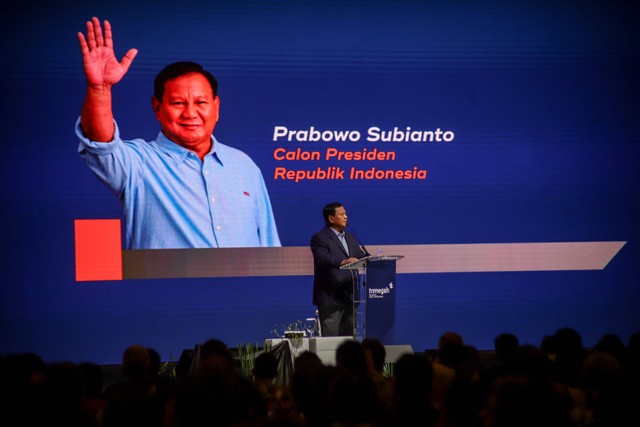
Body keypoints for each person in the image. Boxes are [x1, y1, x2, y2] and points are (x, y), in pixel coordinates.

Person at [76, 17, 280, 249]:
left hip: (247, 286)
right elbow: (100, 142)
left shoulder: (244, 165)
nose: (190, 113)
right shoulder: (137, 162)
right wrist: (99, 89)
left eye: (201, 102)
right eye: (178, 103)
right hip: (166, 286)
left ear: (216, 107)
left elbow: (269, 244)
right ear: (157, 108)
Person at [310, 202, 368, 337]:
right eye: (341, 214)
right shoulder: (319, 238)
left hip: (351, 295)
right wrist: (342, 262)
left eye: (345, 214)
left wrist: (371, 259)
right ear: (331, 218)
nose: (346, 217)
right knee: (331, 340)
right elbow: (322, 259)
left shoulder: (350, 237)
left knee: (349, 339)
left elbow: (359, 255)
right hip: (331, 297)